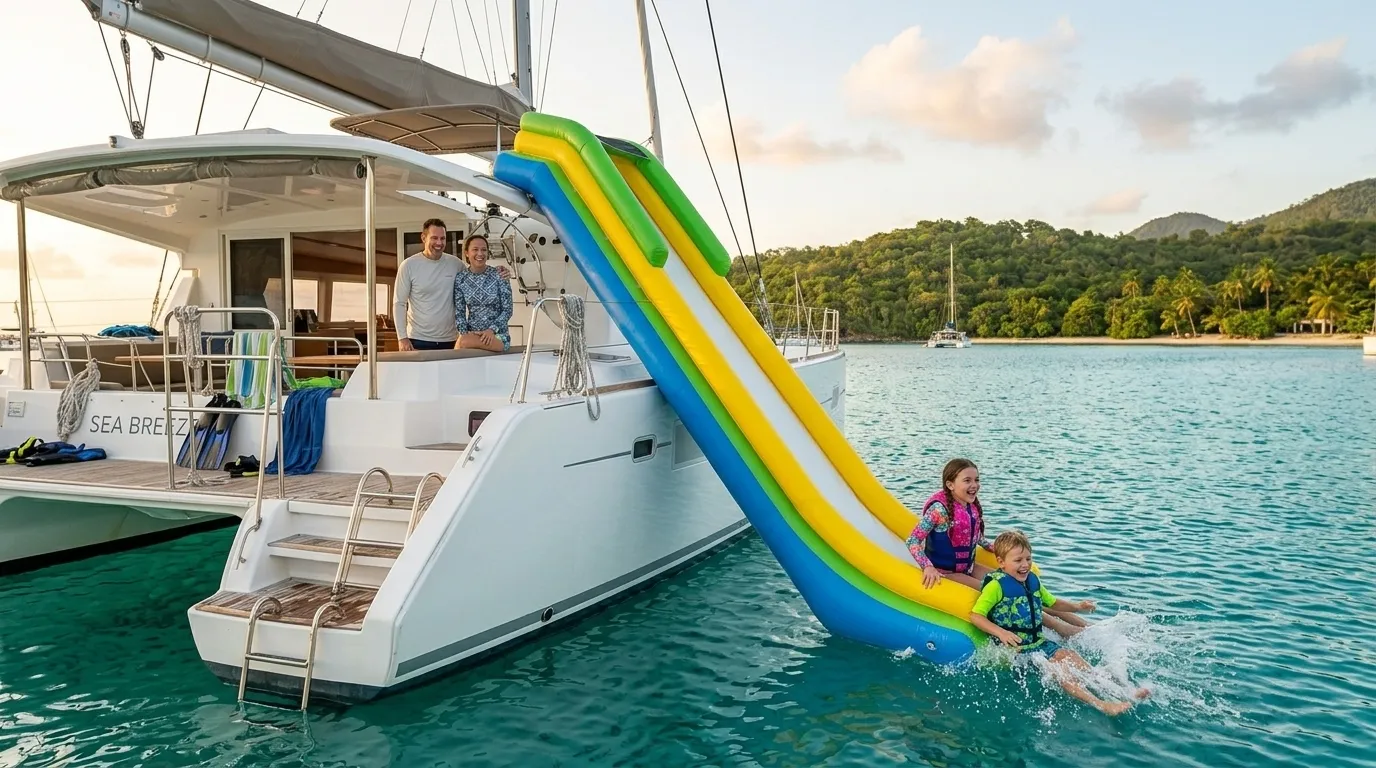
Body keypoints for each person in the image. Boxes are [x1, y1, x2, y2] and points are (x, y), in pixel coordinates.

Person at [970, 530, 1150, 716]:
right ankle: (1102, 705)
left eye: (1028, 559)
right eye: (1018, 561)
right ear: (1001, 562)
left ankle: (1126, 692)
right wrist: (1001, 633)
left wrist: (1078, 606)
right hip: (1018, 651)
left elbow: (1053, 603)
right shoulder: (995, 586)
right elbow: (976, 616)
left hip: (1039, 643)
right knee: (1062, 673)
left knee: (1074, 659)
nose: (1025, 565)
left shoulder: (1032, 581)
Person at [908, 458, 1087, 637]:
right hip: (946, 572)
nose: (974, 485)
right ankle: (1062, 628)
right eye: (967, 480)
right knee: (1009, 591)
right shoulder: (939, 511)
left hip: (968, 567)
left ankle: (1084, 623)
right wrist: (928, 567)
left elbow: (970, 535)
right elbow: (913, 540)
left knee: (1024, 586)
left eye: (976, 479)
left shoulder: (969, 505)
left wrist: (990, 546)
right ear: (950, 484)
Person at [393, 219, 511, 351]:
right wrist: (402, 337)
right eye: (434, 238)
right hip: (419, 339)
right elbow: (399, 303)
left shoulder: (456, 264)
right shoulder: (409, 265)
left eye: (443, 238)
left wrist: (502, 271)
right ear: (423, 238)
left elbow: (476, 270)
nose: (439, 243)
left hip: (450, 339)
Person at [453, 234, 514, 352]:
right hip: (472, 335)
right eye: (475, 250)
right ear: (466, 253)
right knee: (464, 340)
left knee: (462, 342)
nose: (480, 254)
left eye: (484, 250)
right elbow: (459, 313)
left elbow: (508, 310)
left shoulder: (499, 274)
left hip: (497, 335)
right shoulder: (461, 279)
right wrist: (465, 333)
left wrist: (491, 330)